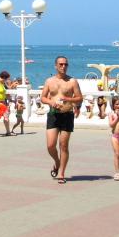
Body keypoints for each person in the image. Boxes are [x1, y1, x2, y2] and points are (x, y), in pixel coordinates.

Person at [41, 56, 83, 184]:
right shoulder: (49, 81)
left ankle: (61, 173)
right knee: (50, 145)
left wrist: (67, 99)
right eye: (61, 64)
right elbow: (43, 97)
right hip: (53, 115)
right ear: (56, 66)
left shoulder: (72, 81)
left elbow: (80, 98)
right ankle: (57, 162)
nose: (63, 66)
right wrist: (51, 102)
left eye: (65, 64)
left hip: (67, 115)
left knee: (63, 145)